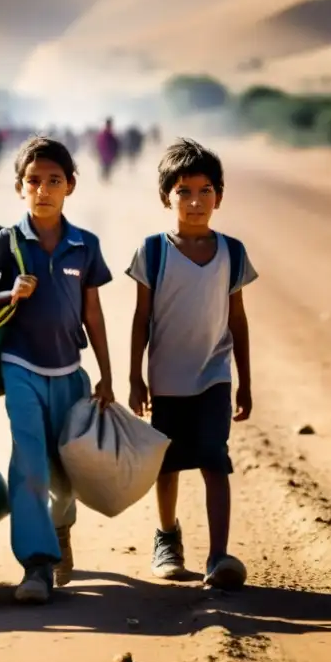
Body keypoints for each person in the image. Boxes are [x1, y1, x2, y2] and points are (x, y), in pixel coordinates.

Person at [0, 136, 114, 604]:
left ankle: (61, 525)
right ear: (18, 187)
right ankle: (36, 565)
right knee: (28, 462)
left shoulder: (84, 245)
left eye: (53, 181)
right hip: (20, 369)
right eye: (33, 181)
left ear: (70, 185)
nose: (43, 190)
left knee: (64, 470)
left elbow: (93, 314)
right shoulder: (7, 242)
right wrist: (10, 295)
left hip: (70, 373)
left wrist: (108, 374)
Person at [126, 138, 257, 589]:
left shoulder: (232, 252)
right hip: (165, 380)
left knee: (214, 460)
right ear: (167, 197)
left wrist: (245, 382)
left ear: (219, 195)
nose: (195, 201)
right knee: (167, 464)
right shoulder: (153, 251)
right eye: (184, 191)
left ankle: (218, 556)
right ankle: (167, 539)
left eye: (205, 191)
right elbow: (141, 318)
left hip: (214, 377)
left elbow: (237, 320)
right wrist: (134, 378)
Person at [95, 117, 119, 183]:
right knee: (105, 168)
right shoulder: (104, 134)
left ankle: (106, 181)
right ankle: (104, 181)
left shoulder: (110, 134)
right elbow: (99, 144)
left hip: (108, 155)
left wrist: (115, 153)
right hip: (105, 155)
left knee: (108, 169)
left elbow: (115, 145)